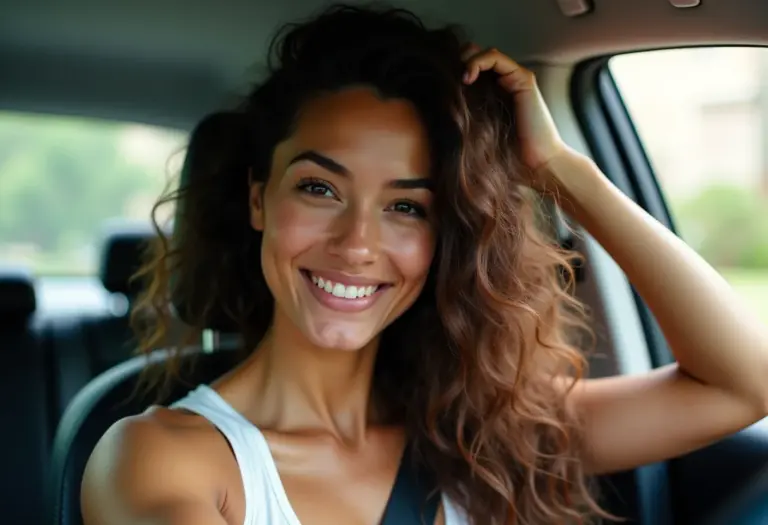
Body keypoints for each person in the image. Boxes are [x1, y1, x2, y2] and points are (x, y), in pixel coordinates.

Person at [80, 5, 768, 525]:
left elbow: (743, 383)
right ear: (260, 198)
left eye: (407, 207)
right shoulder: (158, 455)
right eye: (320, 188)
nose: (357, 243)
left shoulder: (477, 428)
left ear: (448, 236)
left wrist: (559, 170)